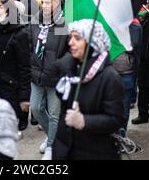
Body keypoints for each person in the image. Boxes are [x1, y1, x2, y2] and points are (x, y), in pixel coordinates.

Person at [52, 20, 125, 160]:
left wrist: (83, 121)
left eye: (77, 38)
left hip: (96, 153)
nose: (70, 43)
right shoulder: (71, 70)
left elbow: (115, 120)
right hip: (67, 149)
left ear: (93, 43)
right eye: (70, 37)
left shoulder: (110, 78)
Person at [29, 0, 68, 160]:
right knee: (36, 108)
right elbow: (30, 45)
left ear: (57, 2)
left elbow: (68, 51)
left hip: (55, 77)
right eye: (42, 2)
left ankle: (52, 146)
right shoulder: (35, 21)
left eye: (48, 2)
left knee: (54, 114)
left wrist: (59, 67)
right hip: (36, 74)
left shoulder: (63, 24)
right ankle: (52, 136)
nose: (44, 5)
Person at [0, 0, 31, 133]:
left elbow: (24, 67)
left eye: (1, 7)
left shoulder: (20, 33)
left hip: (11, 88)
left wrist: (24, 97)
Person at [112, 19, 142, 131]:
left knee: (124, 110)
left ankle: (122, 136)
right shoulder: (107, 24)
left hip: (127, 74)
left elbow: (132, 45)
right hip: (110, 73)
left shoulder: (134, 25)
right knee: (110, 109)